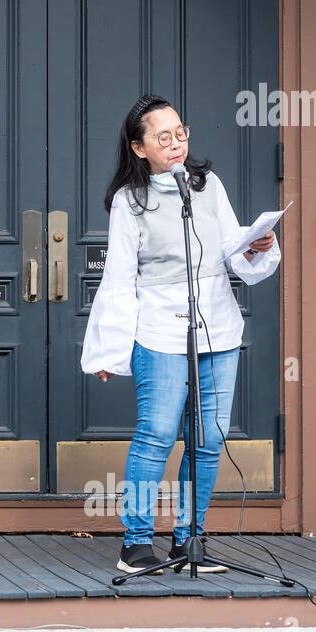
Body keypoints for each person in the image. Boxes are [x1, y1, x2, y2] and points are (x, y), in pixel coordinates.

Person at [81, 94, 280, 575]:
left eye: (181, 133)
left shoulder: (206, 185)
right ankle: (136, 542)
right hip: (159, 330)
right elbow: (120, 277)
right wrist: (109, 350)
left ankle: (189, 540)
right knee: (156, 435)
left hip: (218, 327)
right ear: (138, 147)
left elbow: (231, 251)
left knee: (209, 438)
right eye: (163, 137)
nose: (176, 144)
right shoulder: (130, 202)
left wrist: (257, 245)